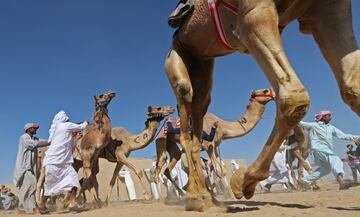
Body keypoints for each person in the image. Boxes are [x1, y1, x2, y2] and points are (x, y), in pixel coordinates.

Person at [38, 111, 89, 214]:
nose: (69, 120)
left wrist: (75, 137)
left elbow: (70, 145)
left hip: (64, 163)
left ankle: (72, 202)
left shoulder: (59, 131)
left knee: (74, 179)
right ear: (64, 119)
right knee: (50, 186)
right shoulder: (64, 126)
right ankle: (42, 204)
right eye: (67, 119)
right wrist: (86, 122)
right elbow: (82, 126)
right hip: (54, 162)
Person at [299, 110, 360, 190]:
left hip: (324, 151)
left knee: (326, 169)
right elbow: (300, 123)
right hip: (318, 149)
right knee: (336, 160)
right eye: (328, 116)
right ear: (323, 117)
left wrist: (357, 137)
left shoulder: (331, 128)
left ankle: (304, 181)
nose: (331, 117)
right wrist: (293, 114)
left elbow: (343, 136)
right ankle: (341, 183)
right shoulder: (313, 126)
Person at [13, 123, 50, 213]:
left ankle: (27, 208)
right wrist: (50, 142)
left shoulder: (34, 138)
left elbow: (45, 141)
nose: (35, 129)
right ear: (28, 129)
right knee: (32, 184)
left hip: (30, 167)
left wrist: (54, 139)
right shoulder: (24, 138)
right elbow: (36, 144)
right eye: (34, 128)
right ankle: (28, 208)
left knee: (29, 186)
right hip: (24, 167)